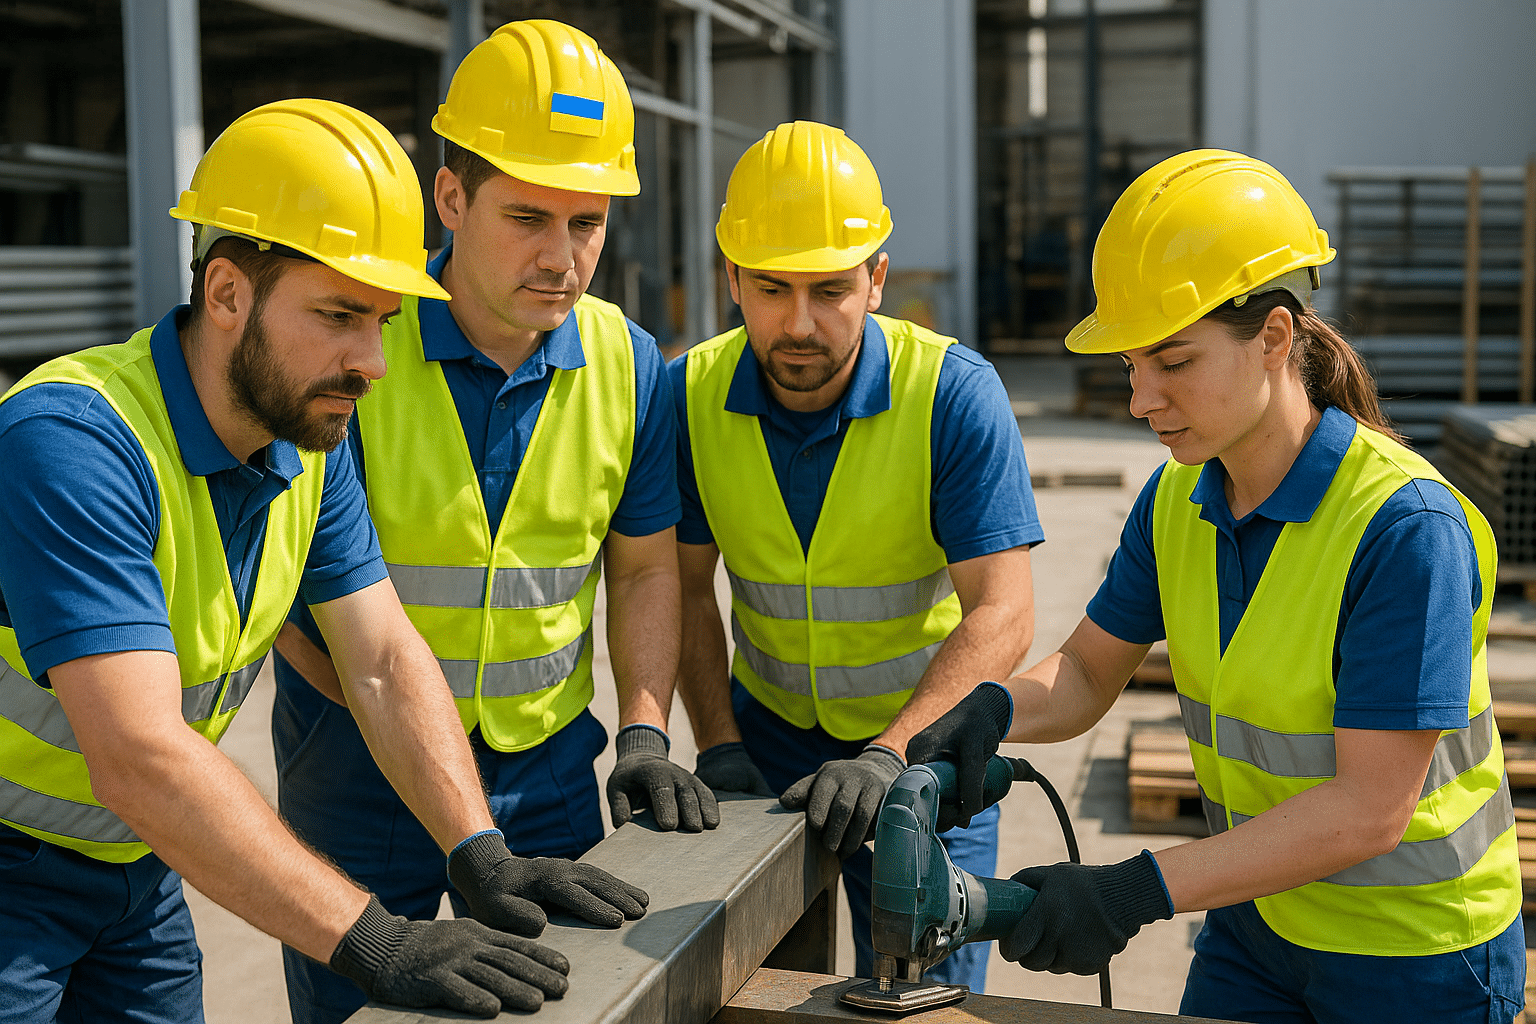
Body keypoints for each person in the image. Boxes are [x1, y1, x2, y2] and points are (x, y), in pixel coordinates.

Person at [0, 98, 605, 1022]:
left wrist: (476, 848)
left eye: (384, 321)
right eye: (337, 316)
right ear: (228, 291)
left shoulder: (303, 448)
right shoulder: (74, 443)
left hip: (136, 870)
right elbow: (139, 754)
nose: (373, 362)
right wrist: (375, 936)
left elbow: (381, 658)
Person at [908, 149, 1525, 1023]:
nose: (1140, 398)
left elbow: (1368, 812)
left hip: (1413, 956)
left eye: (1173, 361)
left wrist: (1130, 893)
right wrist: (993, 710)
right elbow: (1087, 673)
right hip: (1260, 922)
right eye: (1131, 365)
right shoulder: (1177, 498)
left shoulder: (1404, 528)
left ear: (1275, 336)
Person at [270, 22, 715, 1024]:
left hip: (546, 770)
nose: (564, 259)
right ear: (451, 197)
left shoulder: (629, 362)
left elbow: (645, 571)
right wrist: (409, 747)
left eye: (588, 223)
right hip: (353, 764)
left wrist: (643, 732)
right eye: (528, 217)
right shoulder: (349, 342)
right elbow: (287, 598)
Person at [671, 120, 1042, 993]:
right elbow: (681, 592)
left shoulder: (951, 393)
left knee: (921, 992)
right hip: (762, 750)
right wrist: (718, 744)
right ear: (731, 278)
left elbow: (1005, 608)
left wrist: (892, 752)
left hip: (923, 756)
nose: (799, 324)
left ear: (878, 279)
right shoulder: (686, 396)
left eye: (830, 289)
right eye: (771, 288)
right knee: (758, 996)